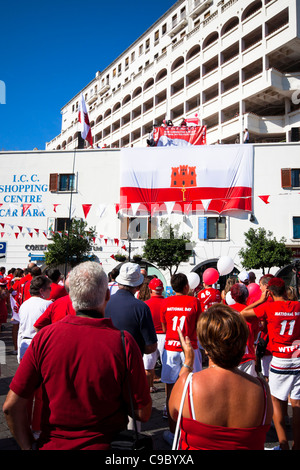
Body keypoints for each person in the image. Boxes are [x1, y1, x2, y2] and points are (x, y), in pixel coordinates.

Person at [3, 261, 152, 450]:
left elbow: (11, 406)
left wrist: (27, 446)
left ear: (70, 296)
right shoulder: (123, 342)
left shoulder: (44, 338)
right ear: (107, 295)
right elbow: (143, 412)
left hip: (51, 445)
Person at [169, 304, 273, 450]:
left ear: (205, 344)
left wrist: (188, 361)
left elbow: (174, 417)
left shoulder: (188, 384)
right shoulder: (262, 389)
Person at [241, 277, 300, 450]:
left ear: (270, 292)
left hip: (280, 361)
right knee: (297, 405)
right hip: (297, 359)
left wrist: (260, 300)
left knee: (277, 402)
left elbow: (244, 312)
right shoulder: (297, 306)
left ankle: (283, 445)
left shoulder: (268, 307)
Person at [160, 273, 202, 446]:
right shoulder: (194, 302)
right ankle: (194, 431)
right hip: (189, 347)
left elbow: (164, 327)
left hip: (170, 347)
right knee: (195, 388)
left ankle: (172, 433)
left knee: (170, 389)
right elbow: (199, 325)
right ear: (186, 287)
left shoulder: (165, 302)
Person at [105, 262, 157, 356]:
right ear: (139, 285)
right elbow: (151, 346)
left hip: (107, 359)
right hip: (131, 363)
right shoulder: (142, 308)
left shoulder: (105, 303)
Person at [230, 283, 261, 377]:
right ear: (247, 296)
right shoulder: (251, 313)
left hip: (230, 356)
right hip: (248, 355)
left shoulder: (226, 311)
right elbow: (255, 336)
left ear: (232, 296)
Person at [143, 278, 165, 392]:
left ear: (150, 289)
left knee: (148, 366)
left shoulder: (145, 304)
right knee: (167, 366)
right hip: (165, 336)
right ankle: (169, 389)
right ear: (162, 289)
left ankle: (149, 387)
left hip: (150, 336)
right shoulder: (167, 302)